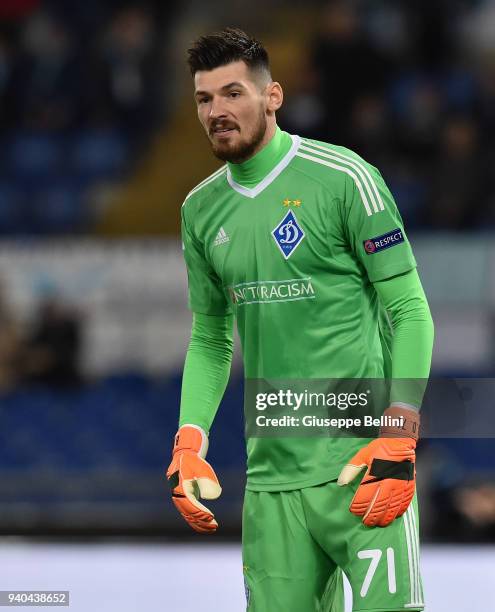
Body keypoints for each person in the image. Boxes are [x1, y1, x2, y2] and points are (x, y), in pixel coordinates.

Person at [166, 28, 434, 612]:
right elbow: (211, 338)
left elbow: (410, 309)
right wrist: (190, 438)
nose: (217, 111)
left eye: (233, 93)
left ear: (273, 96)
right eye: (204, 99)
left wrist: (401, 429)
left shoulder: (344, 178)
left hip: (363, 465)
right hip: (270, 484)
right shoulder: (200, 211)